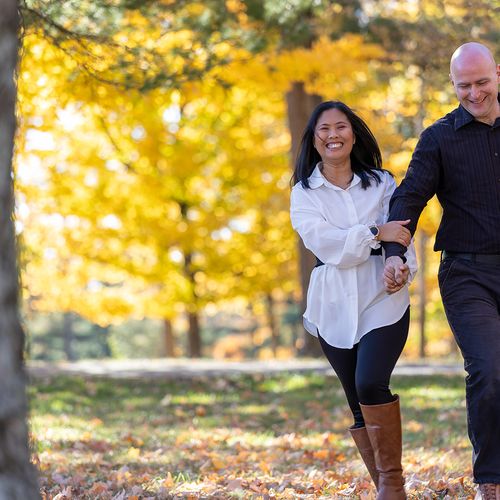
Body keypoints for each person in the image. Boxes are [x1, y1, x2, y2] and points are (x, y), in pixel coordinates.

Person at [383, 42, 500, 499]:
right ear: (453, 85)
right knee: (489, 370)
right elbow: (410, 196)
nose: (473, 93)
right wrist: (394, 252)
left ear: (498, 74)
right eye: (463, 86)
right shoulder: (439, 137)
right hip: (467, 272)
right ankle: (491, 482)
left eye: (482, 82)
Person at [290, 100, 417, 499]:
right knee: (357, 402)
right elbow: (327, 247)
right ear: (314, 140)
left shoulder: (382, 183)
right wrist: (376, 233)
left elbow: (403, 233)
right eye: (324, 129)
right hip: (331, 308)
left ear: (354, 133)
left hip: (383, 299)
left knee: (370, 382)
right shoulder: (304, 193)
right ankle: (384, 483)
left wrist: (400, 266)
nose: (333, 135)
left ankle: (391, 486)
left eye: (341, 127)